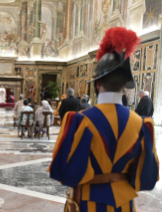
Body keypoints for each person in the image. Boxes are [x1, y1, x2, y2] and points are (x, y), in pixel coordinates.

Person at [49, 27, 158, 212]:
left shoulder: (78, 121)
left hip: (86, 204)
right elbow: (147, 179)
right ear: (125, 86)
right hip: (124, 206)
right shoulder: (142, 125)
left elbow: (62, 173)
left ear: (97, 84)